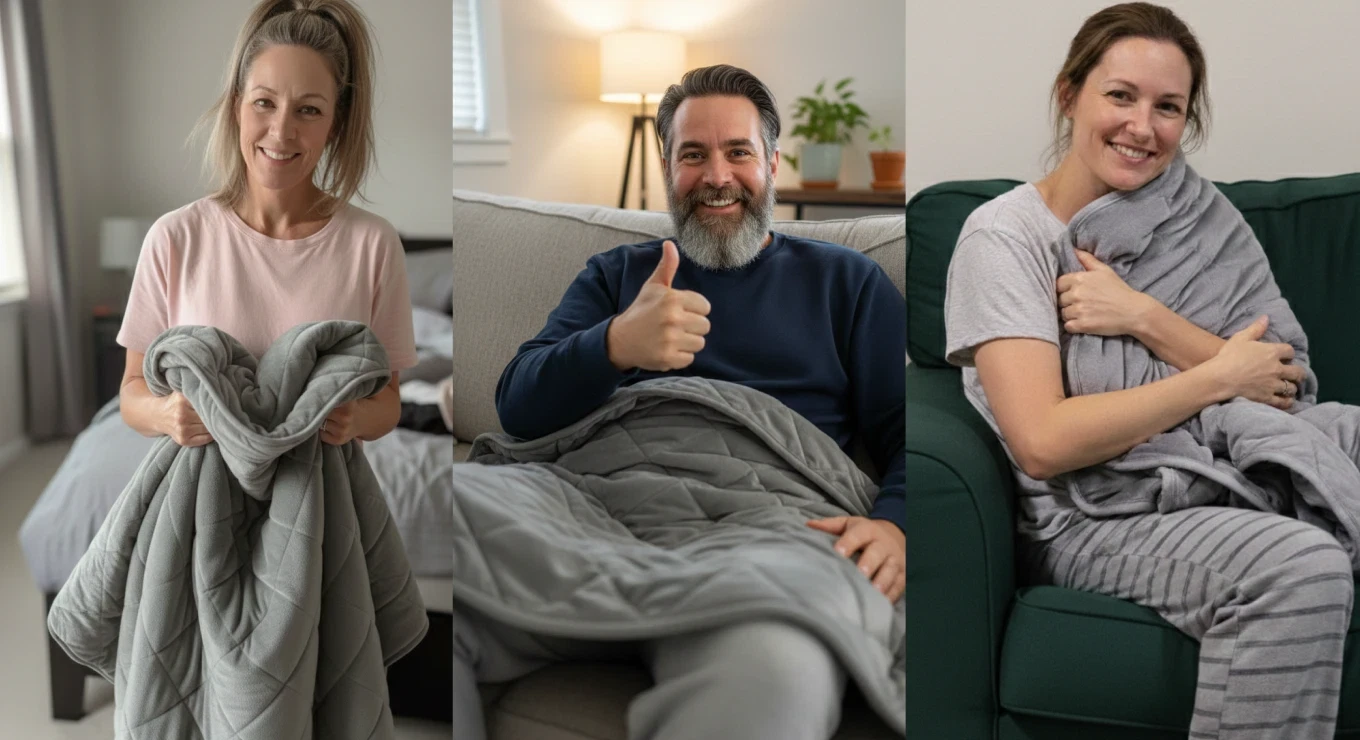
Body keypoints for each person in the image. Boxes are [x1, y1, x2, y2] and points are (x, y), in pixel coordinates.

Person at [452, 65, 906, 740]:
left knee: (781, 662)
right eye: (693, 154)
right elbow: (517, 405)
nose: (716, 176)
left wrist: (897, 523)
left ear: (772, 163)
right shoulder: (617, 274)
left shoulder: (847, 282)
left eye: (738, 152)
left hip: (768, 526)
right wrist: (614, 343)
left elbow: (911, 429)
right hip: (590, 506)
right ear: (667, 166)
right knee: (445, 515)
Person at [944, 3, 1350, 738]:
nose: (1143, 126)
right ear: (1070, 95)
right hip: (1093, 513)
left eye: (1168, 107)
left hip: (1223, 463)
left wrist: (1142, 318)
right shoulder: (1005, 239)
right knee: (1303, 566)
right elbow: (1043, 441)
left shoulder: (1201, 217)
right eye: (1121, 96)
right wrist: (1216, 375)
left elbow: (1284, 385)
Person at [116, 0, 416, 448]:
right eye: (264, 103)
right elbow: (131, 392)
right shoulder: (175, 237)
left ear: (335, 124)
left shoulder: (372, 244)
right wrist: (165, 413)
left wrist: (354, 418)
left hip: (320, 503)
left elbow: (389, 400)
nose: (281, 131)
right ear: (237, 106)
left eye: (309, 110)